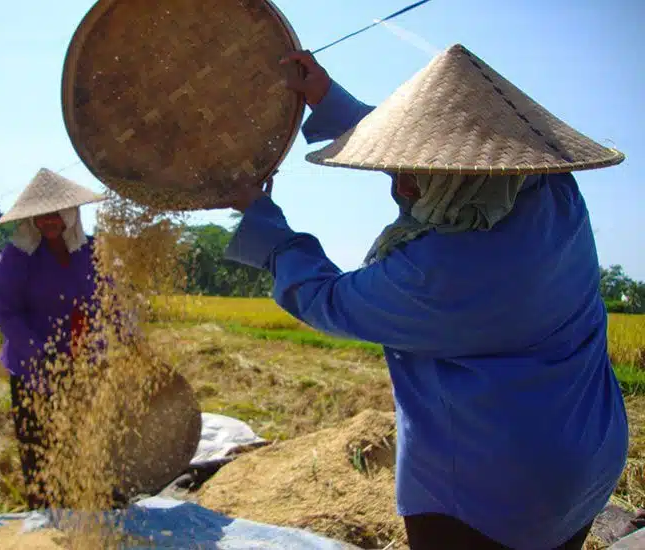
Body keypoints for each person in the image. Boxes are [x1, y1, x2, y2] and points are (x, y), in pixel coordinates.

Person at [223, 44, 629, 550]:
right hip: (590, 454)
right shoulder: (550, 191)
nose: (398, 185)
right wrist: (329, 101)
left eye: (407, 172)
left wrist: (261, 216)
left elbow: (324, 298)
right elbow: (452, 153)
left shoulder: (434, 274)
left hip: (490, 493)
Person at [0, 167, 115, 510]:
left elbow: (110, 300)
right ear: (31, 219)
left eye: (56, 213)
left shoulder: (89, 251)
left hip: (83, 362)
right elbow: (7, 312)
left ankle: (85, 506)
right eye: (41, 215)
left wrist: (119, 334)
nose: (49, 221)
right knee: (38, 444)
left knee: (82, 438)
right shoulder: (17, 257)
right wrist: (39, 353)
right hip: (33, 368)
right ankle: (45, 515)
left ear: (70, 214)